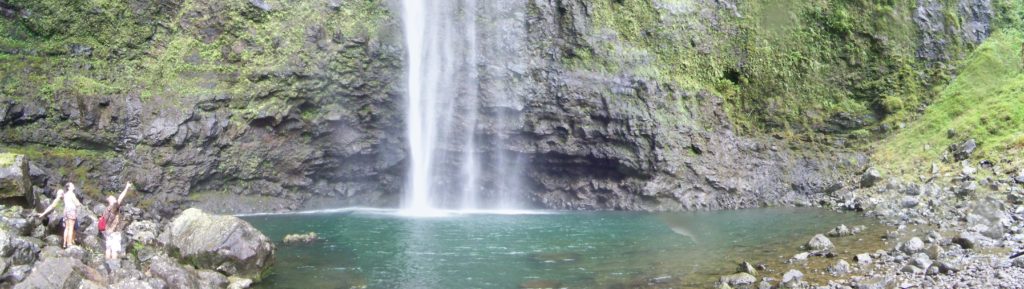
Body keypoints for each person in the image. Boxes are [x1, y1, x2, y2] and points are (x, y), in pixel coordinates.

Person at [37, 182, 82, 248]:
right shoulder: (68, 194)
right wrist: (43, 213)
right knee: (71, 228)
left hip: (66, 213)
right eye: (59, 194)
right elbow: (77, 204)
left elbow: (52, 206)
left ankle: (65, 243)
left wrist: (43, 214)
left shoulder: (64, 196)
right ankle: (70, 243)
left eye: (60, 194)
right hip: (71, 212)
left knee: (68, 228)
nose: (59, 195)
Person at [102, 182, 133, 260]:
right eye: (113, 198)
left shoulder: (106, 210)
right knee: (114, 250)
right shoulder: (114, 207)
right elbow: (121, 197)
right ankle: (114, 267)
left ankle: (107, 265)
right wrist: (127, 187)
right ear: (111, 200)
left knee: (108, 248)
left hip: (107, 231)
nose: (115, 199)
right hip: (114, 231)